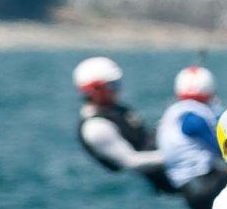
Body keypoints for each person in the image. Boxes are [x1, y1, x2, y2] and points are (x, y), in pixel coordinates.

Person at [74, 56, 176, 195]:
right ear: (95, 90)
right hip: (165, 178)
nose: (118, 89)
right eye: (112, 85)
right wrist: (179, 154)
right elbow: (132, 162)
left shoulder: (116, 110)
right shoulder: (96, 127)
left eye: (118, 83)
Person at [158, 64, 226, 209]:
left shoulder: (174, 112)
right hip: (203, 187)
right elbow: (222, 150)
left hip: (187, 189)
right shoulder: (193, 117)